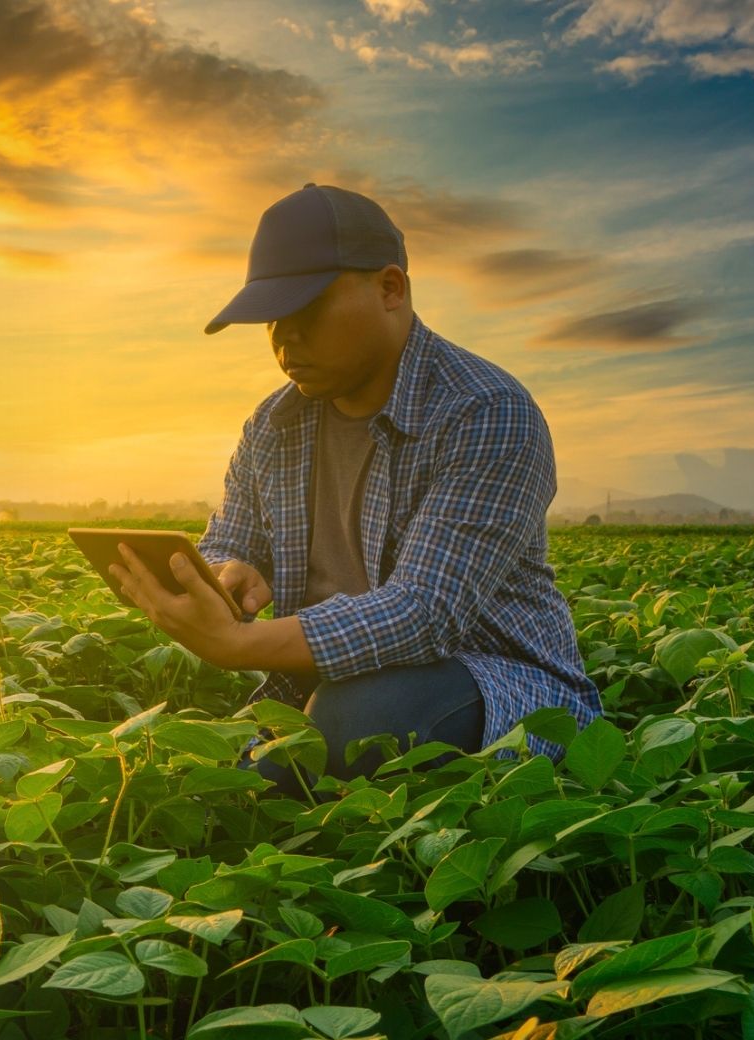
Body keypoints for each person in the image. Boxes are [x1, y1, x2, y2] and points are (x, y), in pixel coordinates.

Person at [105, 182, 601, 792]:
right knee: (204, 759)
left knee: (363, 721)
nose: (286, 339)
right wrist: (226, 573)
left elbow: (425, 612)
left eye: (307, 311)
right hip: (330, 685)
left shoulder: (487, 410)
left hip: (496, 683)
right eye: (271, 321)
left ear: (390, 288)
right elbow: (228, 538)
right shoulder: (275, 423)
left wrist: (238, 643)